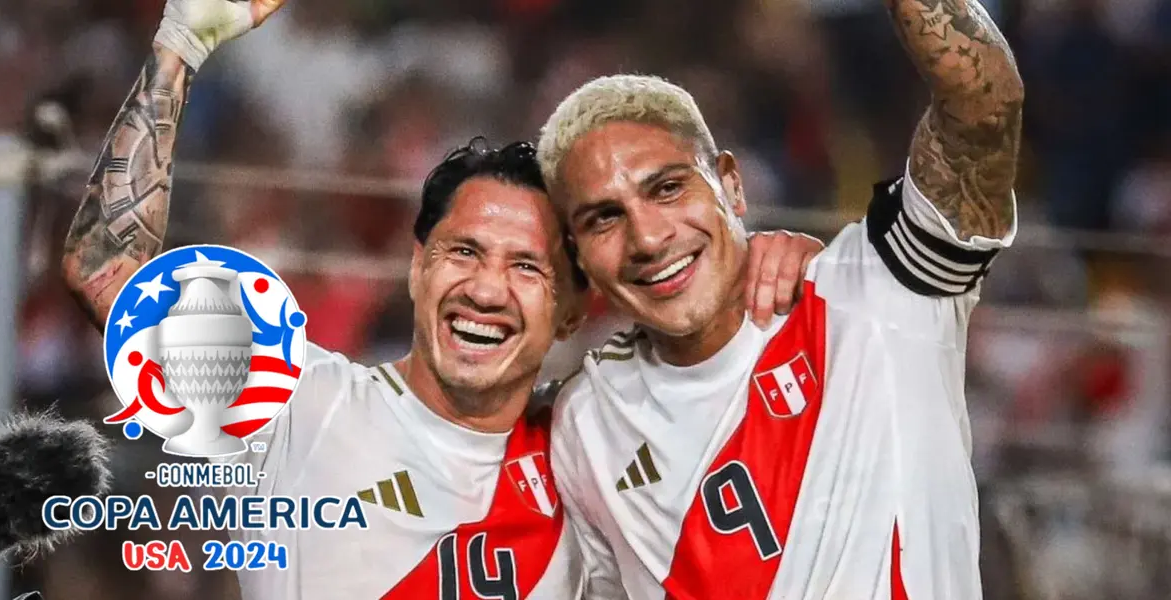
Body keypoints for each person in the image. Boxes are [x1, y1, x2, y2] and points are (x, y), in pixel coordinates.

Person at [57, 0, 824, 597]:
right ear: (418, 266)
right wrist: (180, 46)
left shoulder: (591, 443)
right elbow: (103, 266)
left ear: (569, 309)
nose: (486, 289)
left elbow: (718, 357)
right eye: (464, 251)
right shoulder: (297, 404)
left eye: (527, 267)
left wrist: (780, 264)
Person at [539, 0, 1022, 597]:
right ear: (578, 254)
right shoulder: (582, 419)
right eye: (603, 219)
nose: (648, 237)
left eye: (667, 189)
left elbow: (983, 109)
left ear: (732, 184)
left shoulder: (876, 288)